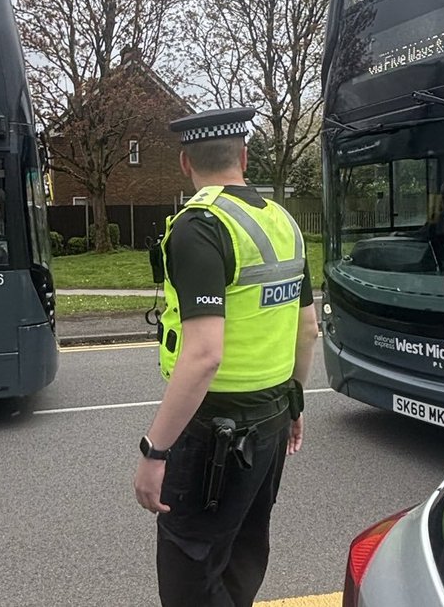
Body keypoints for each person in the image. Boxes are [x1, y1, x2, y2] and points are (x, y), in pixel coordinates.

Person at [133, 108, 319, 607]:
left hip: (214, 431)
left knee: (189, 572)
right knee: (242, 554)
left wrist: (155, 451)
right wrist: (294, 402)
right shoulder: (283, 222)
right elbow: (307, 328)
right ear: (243, 156)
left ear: (183, 164)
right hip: (272, 420)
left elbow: (204, 355)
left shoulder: (200, 226)